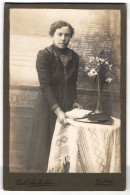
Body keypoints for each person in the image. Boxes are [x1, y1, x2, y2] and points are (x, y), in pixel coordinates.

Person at [23, 20, 82, 173]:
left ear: (70, 37)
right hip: (47, 107)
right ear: (52, 35)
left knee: (64, 150)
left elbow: (72, 83)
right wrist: (57, 110)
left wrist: (75, 101)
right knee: (45, 148)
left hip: (67, 106)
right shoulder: (44, 55)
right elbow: (45, 86)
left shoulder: (74, 57)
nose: (63, 38)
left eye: (67, 35)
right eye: (59, 34)